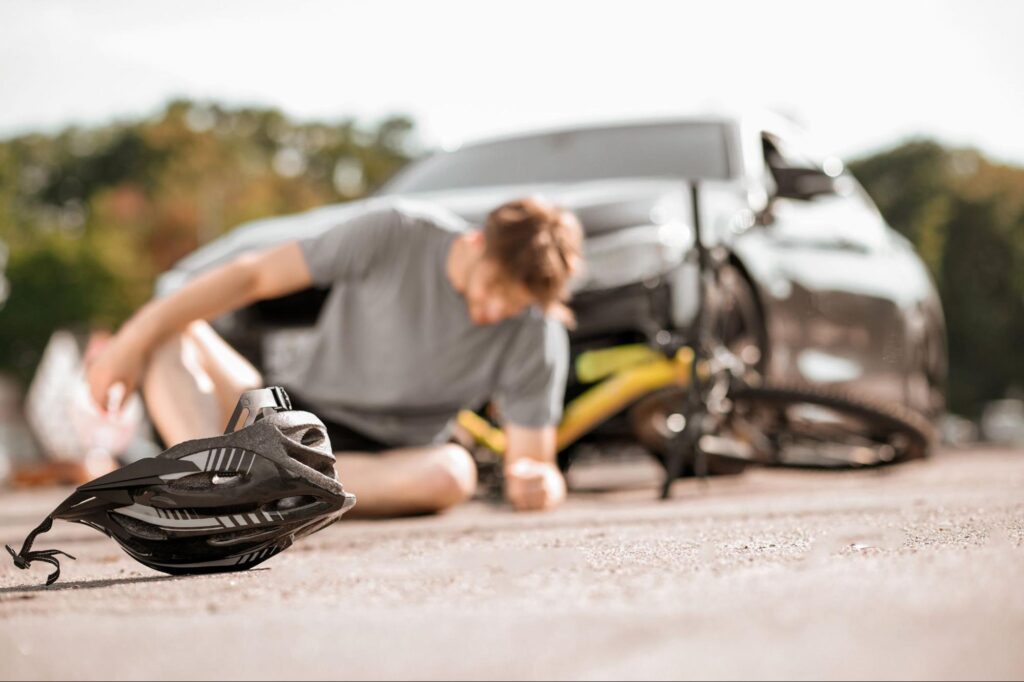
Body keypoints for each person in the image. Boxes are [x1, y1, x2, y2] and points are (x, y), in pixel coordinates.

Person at [86, 197, 584, 515]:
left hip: (380, 457)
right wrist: (130, 341)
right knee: (172, 331)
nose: (495, 310)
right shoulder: (395, 231)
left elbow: (534, 464)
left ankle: (258, 490)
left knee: (454, 474)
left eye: (514, 303)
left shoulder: (536, 331)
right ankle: (207, 487)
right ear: (476, 241)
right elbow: (254, 275)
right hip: (287, 414)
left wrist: (539, 484)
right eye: (494, 286)